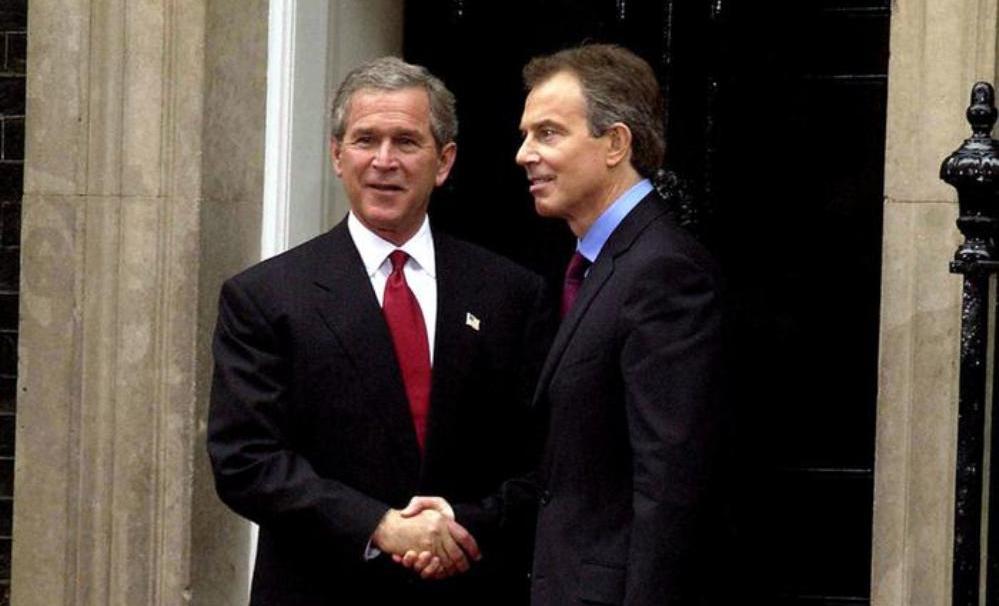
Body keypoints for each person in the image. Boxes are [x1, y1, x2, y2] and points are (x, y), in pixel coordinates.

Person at [207, 56, 552, 606]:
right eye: (366, 140)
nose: (384, 161)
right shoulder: (266, 297)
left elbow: (542, 461)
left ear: (444, 162)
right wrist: (380, 526)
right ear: (337, 155)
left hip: (470, 586)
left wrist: (462, 525)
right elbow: (245, 460)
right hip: (321, 588)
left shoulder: (511, 294)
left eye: (407, 142)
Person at [402, 44, 723, 605]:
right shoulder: (595, 266)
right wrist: (469, 516)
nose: (524, 154)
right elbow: (572, 469)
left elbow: (670, 482)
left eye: (548, 133)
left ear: (615, 144)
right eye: (527, 135)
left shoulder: (662, 270)